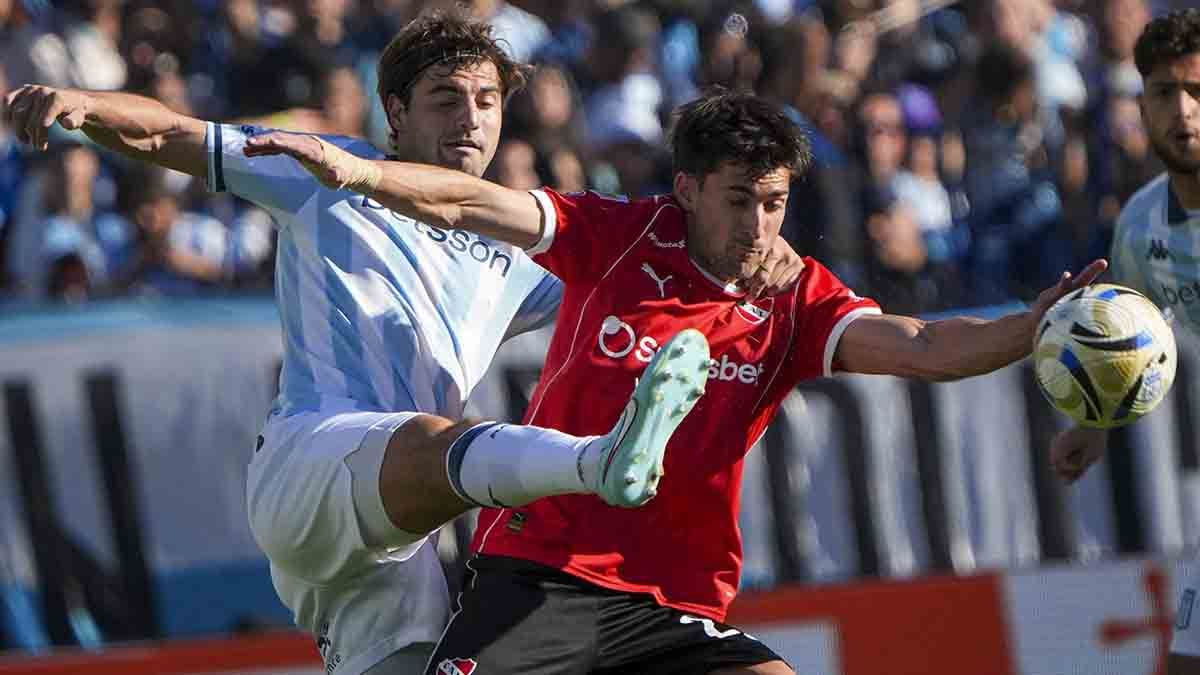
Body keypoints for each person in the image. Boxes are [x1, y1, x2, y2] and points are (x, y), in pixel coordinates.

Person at [2, 12, 809, 675]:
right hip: (311, 464)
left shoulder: (518, 253)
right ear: (394, 113)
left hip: (405, 535)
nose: (470, 119)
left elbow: (658, 266)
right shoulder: (328, 169)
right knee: (436, 439)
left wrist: (761, 253)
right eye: (444, 99)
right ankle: (601, 460)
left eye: (486, 100)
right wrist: (83, 104)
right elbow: (171, 135)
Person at [241, 88, 1105, 674]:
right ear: (687, 188)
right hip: (544, 570)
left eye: (774, 201)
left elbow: (918, 345)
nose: (760, 223)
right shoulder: (616, 234)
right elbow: (475, 204)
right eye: (739, 199)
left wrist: (1028, 328)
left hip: (675, 599)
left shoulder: (796, 296)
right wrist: (361, 172)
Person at [1044, 9, 1200, 674]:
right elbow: (1132, 342)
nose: (1183, 111)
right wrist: (1093, 423)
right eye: (1165, 93)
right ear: (1142, 103)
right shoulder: (1140, 227)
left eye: (1198, 90)